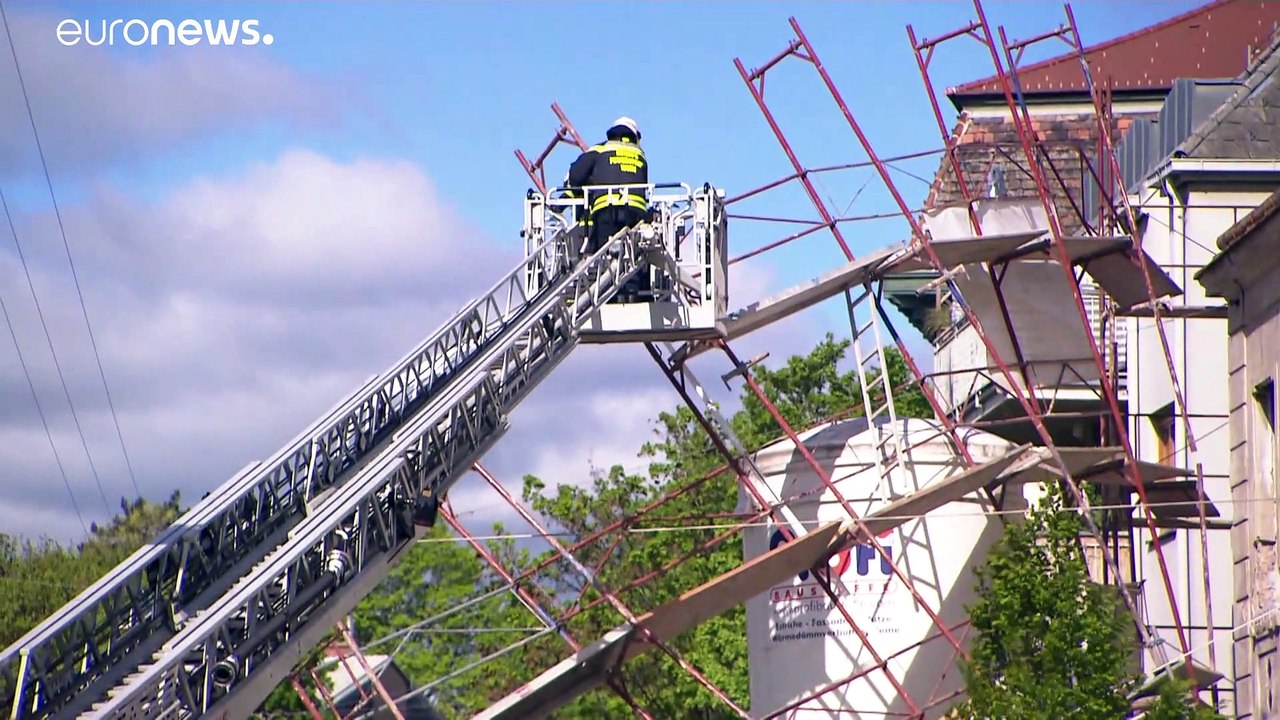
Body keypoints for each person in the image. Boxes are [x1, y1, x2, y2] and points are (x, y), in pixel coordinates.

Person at [566, 116, 650, 301]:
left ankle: (608, 297)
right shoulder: (640, 155)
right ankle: (632, 296)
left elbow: (576, 175)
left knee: (606, 257)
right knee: (632, 255)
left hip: (606, 211)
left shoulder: (601, 149)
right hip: (635, 213)